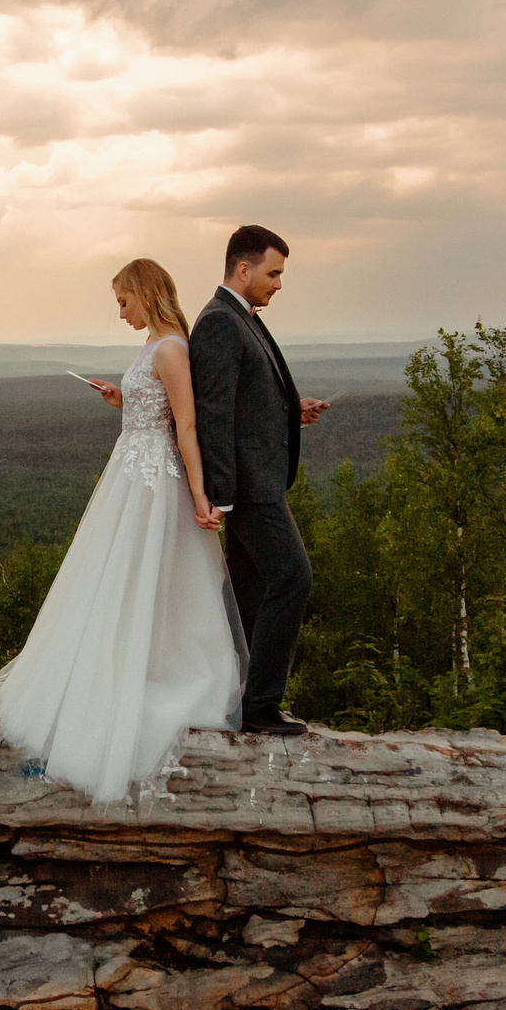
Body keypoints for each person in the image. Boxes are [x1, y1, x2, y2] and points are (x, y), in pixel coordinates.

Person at [0, 258, 246, 803]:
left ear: (146, 293)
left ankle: (140, 684)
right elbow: (151, 410)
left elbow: (187, 426)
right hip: (130, 473)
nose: (120, 311)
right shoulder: (155, 345)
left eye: (123, 300)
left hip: (152, 486)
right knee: (116, 581)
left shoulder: (173, 348)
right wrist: (122, 400)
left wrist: (202, 497)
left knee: (142, 579)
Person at [189, 226, 332, 735]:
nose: (278, 284)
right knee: (293, 576)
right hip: (248, 488)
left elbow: (248, 398)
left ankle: (238, 696)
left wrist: (292, 411)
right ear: (243, 269)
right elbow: (214, 411)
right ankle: (261, 706)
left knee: (248, 591)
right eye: (273, 273)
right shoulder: (220, 323)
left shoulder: (239, 317)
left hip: (256, 481)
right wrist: (221, 496)